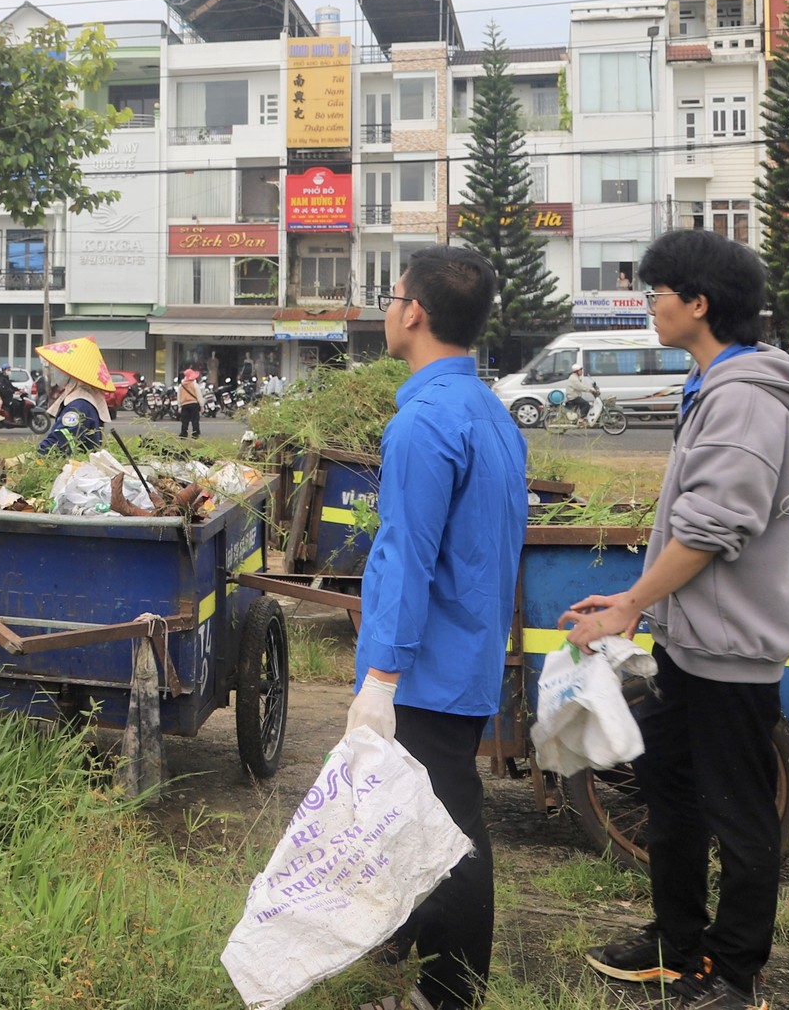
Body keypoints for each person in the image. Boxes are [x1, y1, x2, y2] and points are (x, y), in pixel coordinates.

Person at [568, 232, 789, 1010]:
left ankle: (736, 973)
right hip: (690, 643)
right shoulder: (713, 384)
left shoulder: (743, 399)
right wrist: (648, 609)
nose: (651, 306)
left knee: (739, 813)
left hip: (731, 654)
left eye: (657, 292)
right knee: (668, 785)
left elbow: (712, 530)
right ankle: (678, 940)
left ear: (698, 303)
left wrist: (632, 602)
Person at [349, 246, 525, 1010]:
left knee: (450, 824)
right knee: (425, 810)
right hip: (466, 652)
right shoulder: (488, 409)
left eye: (392, 297)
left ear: (413, 311)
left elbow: (408, 558)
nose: (388, 309)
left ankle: (450, 992)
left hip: (425, 665)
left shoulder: (422, 423)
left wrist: (381, 678)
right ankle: (411, 938)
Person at [35, 337, 112, 455]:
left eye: (59, 368)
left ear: (72, 374)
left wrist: (34, 456)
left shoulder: (79, 405)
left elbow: (62, 441)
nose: (55, 371)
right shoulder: (83, 400)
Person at [177, 366, 202, 439]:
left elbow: (179, 396)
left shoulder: (181, 386)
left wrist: (179, 405)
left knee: (184, 421)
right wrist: (201, 405)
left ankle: (183, 434)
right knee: (195, 420)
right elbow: (199, 395)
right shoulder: (194, 384)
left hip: (184, 405)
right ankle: (195, 434)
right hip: (194, 404)